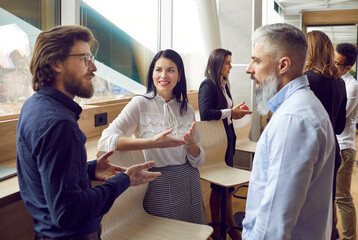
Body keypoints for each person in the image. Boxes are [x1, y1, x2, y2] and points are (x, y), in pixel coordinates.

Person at [16, 25, 160, 240]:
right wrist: (124, 181)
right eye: (85, 58)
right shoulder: (59, 125)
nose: (93, 67)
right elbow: (69, 212)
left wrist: (90, 170)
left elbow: (51, 176)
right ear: (56, 63)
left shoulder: (34, 105)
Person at [242, 23, 336, 239]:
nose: (249, 68)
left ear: (282, 65)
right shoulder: (300, 108)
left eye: (256, 60)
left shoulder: (294, 120)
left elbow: (274, 224)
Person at [98, 49, 207, 225]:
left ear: (179, 76)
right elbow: (106, 139)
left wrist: (192, 146)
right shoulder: (140, 103)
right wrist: (151, 142)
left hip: (189, 180)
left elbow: (198, 159)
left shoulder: (186, 109)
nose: (163, 75)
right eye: (158, 69)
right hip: (156, 181)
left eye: (171, 70)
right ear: (152, 74)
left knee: (192, 232)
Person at [198, 48, 251, 240]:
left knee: (224, 188)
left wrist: (235, 113)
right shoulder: (208, 85)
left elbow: (225, 111)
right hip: (217, 143)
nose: (230, 66)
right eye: (227, 63)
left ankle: (224, 228)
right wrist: (230, 112)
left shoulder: (224, 84)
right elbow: (205, 114)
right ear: (217, 63)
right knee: (220, 187)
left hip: (228, 138)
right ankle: (228, 231)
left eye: (230, 62)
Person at [303, 31, 347, 240]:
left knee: (305, 210)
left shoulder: (305, 81)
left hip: (308, 152)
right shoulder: (340, 83)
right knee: (327, 205)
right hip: (332, 152)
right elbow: (339, 127)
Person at [335, 43, 358, 240]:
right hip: (332, 145)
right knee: (328, 195)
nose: (332, 65)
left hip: (344, 147)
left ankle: (349, 238)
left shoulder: (352, 86)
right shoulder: (334, 81)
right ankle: (332, 233)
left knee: (342, 198)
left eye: (337, 63)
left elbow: (338, 116)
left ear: (347, 67)